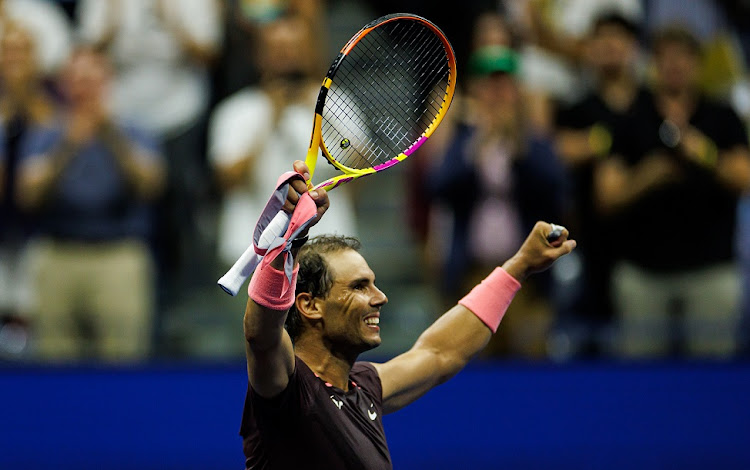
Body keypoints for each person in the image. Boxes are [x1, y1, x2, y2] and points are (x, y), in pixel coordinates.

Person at [239, 159, 576, 469]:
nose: (380, 298)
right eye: (359, 287)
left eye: (374, 284)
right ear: (310, 305)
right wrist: (288, 242)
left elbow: (441, 352)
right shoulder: (289, 390)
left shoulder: (364, 387)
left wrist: (518, 267)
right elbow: (261, 334)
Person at [594, 25, 750, 358]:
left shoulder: (721, 116)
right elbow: (607, 195)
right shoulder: (631, 117)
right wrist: (650, 176)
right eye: (666, 57)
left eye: (683, 57)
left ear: (697, 63)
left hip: (711, 272)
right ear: (654, 64)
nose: (675, 65)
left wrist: (703, 154)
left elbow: (744, 177)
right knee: (640, 383)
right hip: (643, 274)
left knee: (713, 382)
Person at [15, 47, 165, 361]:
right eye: (77, 80)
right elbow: (28, 194)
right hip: (58, 254)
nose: (85, 88)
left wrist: (110, 136)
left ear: (107, 82)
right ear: (65, 85)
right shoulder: (47, 134)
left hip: (118, 255)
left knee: (123, 359)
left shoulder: (133, 129)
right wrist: (67, 146)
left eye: (92, 80)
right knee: (54, 361)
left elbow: (151, 185)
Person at [429, 44, 567, 358]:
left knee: (529, 358)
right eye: (489, 84)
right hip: (471, 273)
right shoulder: (464, 138)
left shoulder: (533, 139)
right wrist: (479, 146)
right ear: (477, 89)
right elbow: (438, 186)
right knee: (468, 358)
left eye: (503, 83)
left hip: (525, 278)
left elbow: (554, 186)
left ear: (515, 89)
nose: (497, 92)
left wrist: (518, 148)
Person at [208, 13, 357, 269]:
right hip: (250, 254)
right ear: (259, 55)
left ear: (309, 51)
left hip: (325, 249)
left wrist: (322, 115)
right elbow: (228, 181)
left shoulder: (337, 104)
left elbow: (357, 169)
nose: (287, 57)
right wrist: (270, 118)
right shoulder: (236, 111)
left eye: (294, 48)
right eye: (277, 49)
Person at [553, 11, 647, 356]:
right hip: (586, 249)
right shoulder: (575, 108)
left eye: (618, 37)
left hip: (645, 253)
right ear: (589, 49)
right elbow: (556, 151)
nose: (610, 45)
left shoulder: (651, 106)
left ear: (633, 47)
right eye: (602, 38)